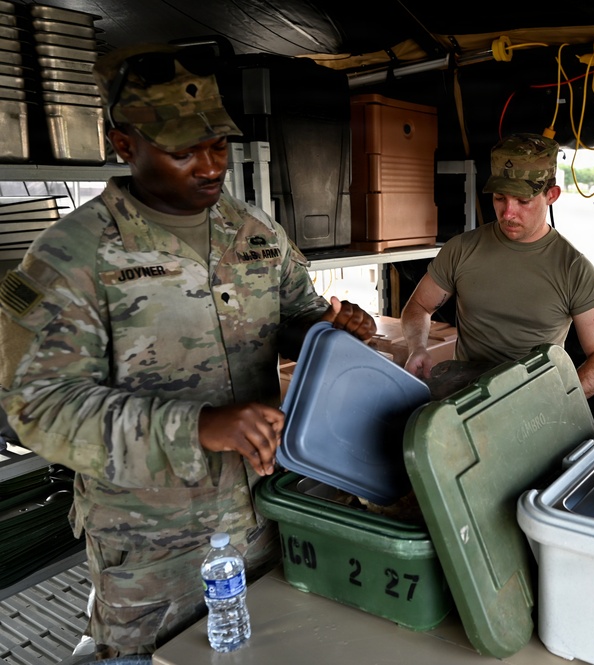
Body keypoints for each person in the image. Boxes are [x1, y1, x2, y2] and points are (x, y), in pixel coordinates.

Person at [0, 43, 375, 659]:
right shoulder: (70, 257)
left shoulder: (252, 230)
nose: (209, 166)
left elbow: (294, 316)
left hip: (265, 512)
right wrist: (197, 427)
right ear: (125, 145)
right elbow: (39, 408)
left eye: (219, 145)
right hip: (154, 545)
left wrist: (331, 330)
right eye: (183, 151)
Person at [401, 133, 594, 398]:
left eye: (523, 201)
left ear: (551, 195)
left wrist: (560, 400)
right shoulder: (461, 249)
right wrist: (417, 347)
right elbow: (419, 306)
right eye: (499, 198)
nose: (508, 213)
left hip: (535, 398)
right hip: (469, 397)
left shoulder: (573, 268)